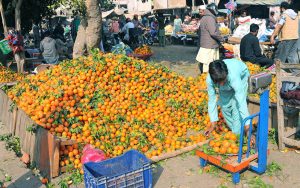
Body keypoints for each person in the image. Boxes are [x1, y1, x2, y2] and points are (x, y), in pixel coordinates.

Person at [206, 59, 250, 135]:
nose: (222, 84)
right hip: (225, 81)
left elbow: (241, 102)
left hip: (241, 77)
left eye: (223, 80)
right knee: (225, 107)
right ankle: (236, 130)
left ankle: (238, 133)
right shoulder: (210, 80)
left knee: (236, 106)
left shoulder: (233, 76)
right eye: (220, 82)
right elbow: (212, 100)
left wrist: (248, 128)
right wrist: (213, 123)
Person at [196, 3, 223, 73]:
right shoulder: (210, 18)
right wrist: (222, 39)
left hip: (206, 44)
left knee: (206, 63)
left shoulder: (204, 17)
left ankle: (205, 78)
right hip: (210, 45)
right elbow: (213, 33)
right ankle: (206, 79)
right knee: (208, 64)